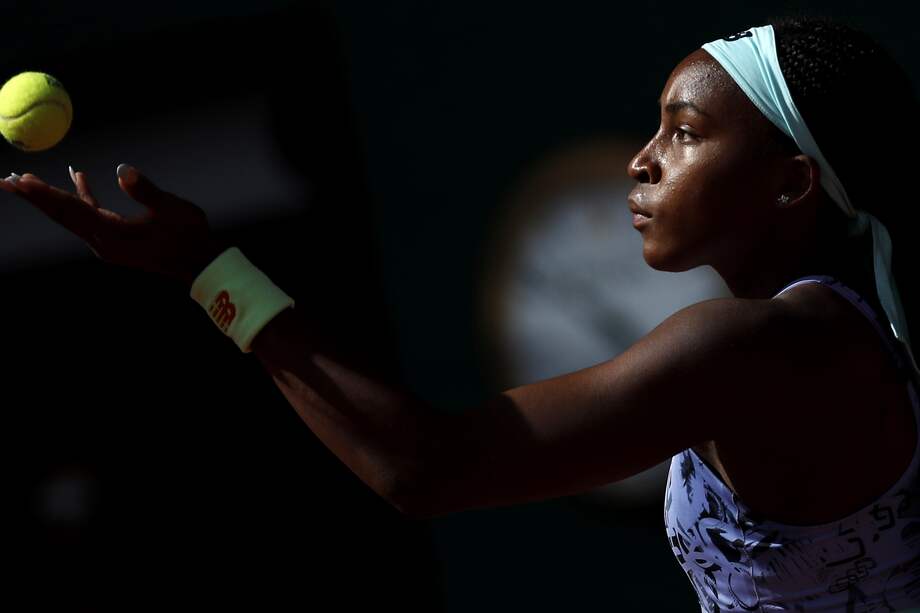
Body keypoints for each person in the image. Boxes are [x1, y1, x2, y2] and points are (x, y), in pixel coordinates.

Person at [2, 13, 918, 611]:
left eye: (684, 133)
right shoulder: (838, 334)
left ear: (792, 184)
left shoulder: (758, 346)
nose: (642, 160)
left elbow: (423, 467)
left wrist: (206, 269)